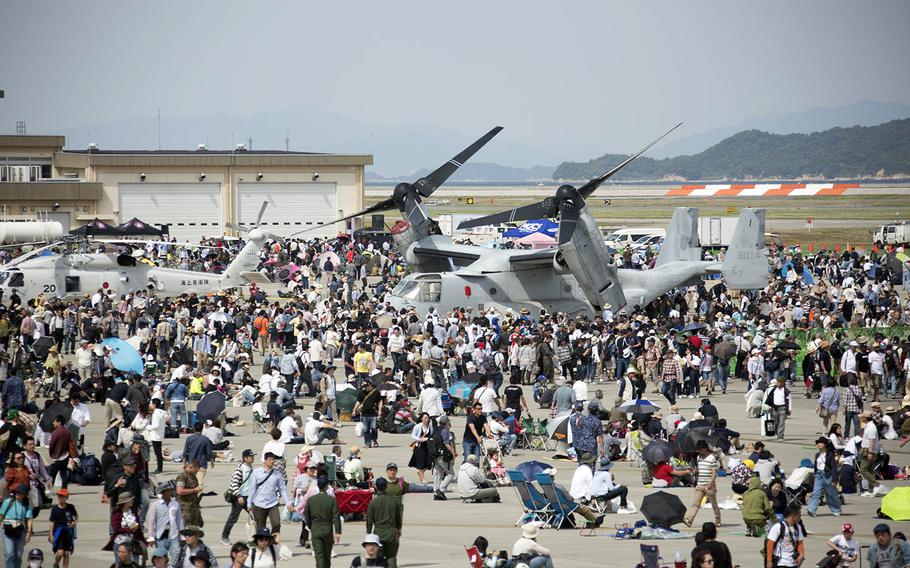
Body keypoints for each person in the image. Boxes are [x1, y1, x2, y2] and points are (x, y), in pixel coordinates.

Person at [247, 451, 291, 540]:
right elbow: (252, 489)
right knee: (260, 528)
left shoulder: (277, 474)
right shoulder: (256, 473)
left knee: (276, 524)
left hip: (272, 503)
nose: (272, 461)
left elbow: (282, 489)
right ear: (265, 461)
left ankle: (273, 543)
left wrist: (288, 502)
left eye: (273, 460)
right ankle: (262, 546)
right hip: (259, 504)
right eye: (270, 459)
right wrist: (249, 503)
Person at [303, 476, 341, 568]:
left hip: (315, 529)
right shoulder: (331, 500)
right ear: (327, 486)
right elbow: (336, 516)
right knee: (327, 557)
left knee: (319, 556)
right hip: (328, 530)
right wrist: (337, 531)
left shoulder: (311, 500)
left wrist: (311, 526)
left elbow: (306, 516)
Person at [366, 478, 402, 568]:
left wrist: (369, 534)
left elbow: (369, 521)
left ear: (376, 487)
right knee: (391, 557)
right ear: (386, 487)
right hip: (391, 533)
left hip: (378, 532)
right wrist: (398, 529)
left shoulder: (373, 503)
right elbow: (398, 518)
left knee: (378, 558)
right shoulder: (393, 502)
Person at [221, 449, 255, 546]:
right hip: (239, 497)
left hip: (248, 496)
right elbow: (234, 484)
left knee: (255, 517)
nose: (253, 458)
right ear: (245, 458)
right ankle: (224, 537)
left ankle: (254, 539)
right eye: (251, 456)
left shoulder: (249, 467)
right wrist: (239, 496)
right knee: (233, 518)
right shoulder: (240, 468)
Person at [684, 440, 720, 528]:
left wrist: (710, 484)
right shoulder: (699, 457)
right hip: (700, 484)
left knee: (714, 504)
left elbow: (714, 473)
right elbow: (699, 469)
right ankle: (689, 520)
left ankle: (718, 520)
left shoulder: (712, 458)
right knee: (695, 503)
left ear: (705, 449)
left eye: (700, 449)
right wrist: (694, 471)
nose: (698, 451)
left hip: (709, 485)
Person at [807, 436, 842, 517]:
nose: (818, 444)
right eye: (818, 443)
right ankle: (811, 510)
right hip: (818, 475)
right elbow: (816, 465)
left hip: (827, 475)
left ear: (825, 445)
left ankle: (836, 509)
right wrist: (815, 474)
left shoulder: (830, 455)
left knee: (831, 493)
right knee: (816, 492)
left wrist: (834, 480)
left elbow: (833, 468)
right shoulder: (817, 455)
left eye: (820, 443)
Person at [0, 484, 33, 568]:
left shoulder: (27, 504)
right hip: (7, 529)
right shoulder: (8, 501)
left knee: (18, 554)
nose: (18, 493)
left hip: (20, 530)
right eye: (17, 492)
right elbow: (1, 515)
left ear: (24, 495)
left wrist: (28, 533)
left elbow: (29, 519)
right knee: (9, 553)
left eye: (20, 493)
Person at [145, 480, 183, 555]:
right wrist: (151, 536)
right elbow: (151, 522)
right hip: (160, 536)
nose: (169, 493)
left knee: (176, 557)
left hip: (173, 535)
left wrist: (182, 535)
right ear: (162, 492)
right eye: (167, 491)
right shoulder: (155, 505)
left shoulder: (175, 504)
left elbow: (180, 520)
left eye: (170, 491)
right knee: (161, 557)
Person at [765, 504, 805, 568]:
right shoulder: (778, 527)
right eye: (799, 516)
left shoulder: (798, 527)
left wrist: (801, 554)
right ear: (793, 516)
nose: (800, 517)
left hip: (793, 563)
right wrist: (769, 561)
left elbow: (800, 542)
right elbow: (770, 544)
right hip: (780, 563)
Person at [47, 488, 78, 568]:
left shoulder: (70, 507)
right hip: (58, 532)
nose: (60, 498)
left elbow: (76, 516)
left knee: (66, 553)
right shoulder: (55, 509)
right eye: (59, 496)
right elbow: (51, 522)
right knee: (60, 553)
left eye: (62, 496)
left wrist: (74, 522)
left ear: (66, 497)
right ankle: (56, 564)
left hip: (68, 532)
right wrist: (51, 535)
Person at [432, 415, 457, 500]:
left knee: (438, 473)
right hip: (443, 456)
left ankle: (436, 493)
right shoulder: (445, 431)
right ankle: (441, 490)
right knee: (451, 474)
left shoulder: (436, 430)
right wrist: (453, 453)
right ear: (446, 423)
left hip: (435, 455)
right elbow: (446, 444)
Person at [353, 381, 383, 448]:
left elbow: (380, 401)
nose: (365, 388)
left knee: (374, 428)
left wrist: (380, 410)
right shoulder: (362, 393)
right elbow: (358, 402)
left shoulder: (376, 392)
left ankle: (374, 440)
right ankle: (367, 443)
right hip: (364, 414)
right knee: (366, 429)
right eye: (364, 387)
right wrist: (354, 409)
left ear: (370, 385)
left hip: (373, 413)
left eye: (366, 386)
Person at [176, 460, 204, 528]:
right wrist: (194, 490)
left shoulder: (192, 476)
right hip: (185, 508)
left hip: (193, 507)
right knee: (185, 529)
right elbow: (180, 491)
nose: (196, 472)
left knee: (195, 529)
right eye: (196, 470)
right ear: (191, 467)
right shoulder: (182, 477)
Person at [408, 413, 433, 484]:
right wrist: (420, 439)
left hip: (428, 446)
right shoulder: (418, 426)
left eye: (427, 418)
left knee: (428, 463)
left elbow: (432, 434)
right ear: (421, 419)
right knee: (421, 463)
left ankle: (420, 473)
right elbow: (412, 436)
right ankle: (422, 478)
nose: (426, 420)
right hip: (420, 447)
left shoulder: (430, 426)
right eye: (425, 418)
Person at [764, 376, 791, 441]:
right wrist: (769, 406)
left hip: (783, 408)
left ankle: (780, 436)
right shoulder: (774, 390)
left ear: (782, 383)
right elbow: (770, 398)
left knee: (781, 423)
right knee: (776, 422)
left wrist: (789, 409)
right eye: (777, 382)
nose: (777, 383)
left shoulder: (786, 391)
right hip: (775, 408)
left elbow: (789, 400)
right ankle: (777, 432)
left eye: (778, 382)